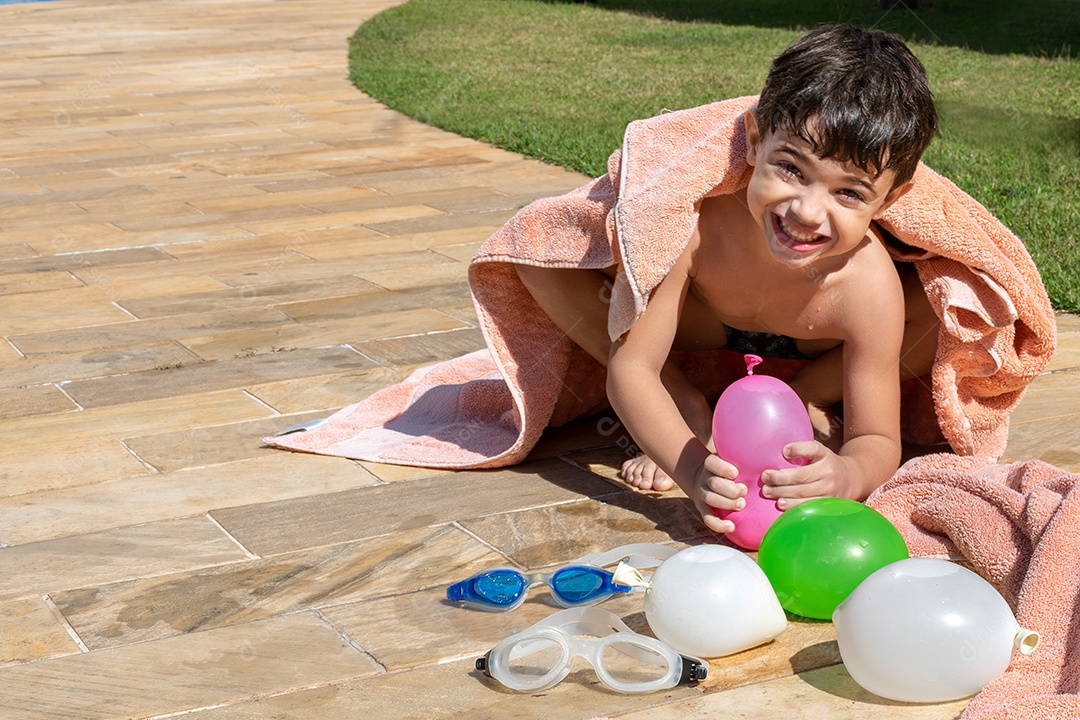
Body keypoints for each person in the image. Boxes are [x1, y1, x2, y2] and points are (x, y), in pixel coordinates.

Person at [515, 24, 941, 536]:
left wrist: (848, 473)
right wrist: (692, 469)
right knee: (538, 256)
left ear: (889, 200)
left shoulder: (867, 286)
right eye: (790, 168)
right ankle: (685, 399)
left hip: (811, 349)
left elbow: (876, 437)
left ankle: (802, 394)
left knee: (951, 310)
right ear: (756, 140)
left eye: (849, 193)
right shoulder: (695, 224)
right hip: (707, 325)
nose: (807, 211)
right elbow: (633, 370)